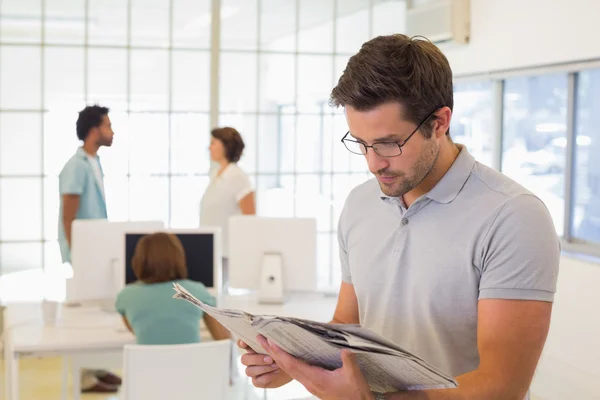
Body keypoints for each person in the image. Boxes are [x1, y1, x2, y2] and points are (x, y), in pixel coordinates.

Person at [238, 34, 560, 400]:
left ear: (439, 122)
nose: (374, 163)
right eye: (360, 143)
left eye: (389, 143)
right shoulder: (360, 203)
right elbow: (347, 324)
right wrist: (292, 361)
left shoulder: (513, 216)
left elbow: (501, 387)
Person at [58, 104, 122, 393]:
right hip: (83, 251)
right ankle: (85, 376)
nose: (112, 131)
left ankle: (97, 368)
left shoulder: (94, 162)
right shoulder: (76, 166)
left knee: (98, 307)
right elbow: (68, 216)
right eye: (108, 125)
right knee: (84, 313)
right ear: (95, 129)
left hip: (96, 248)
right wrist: (78, 256)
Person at [115, 232, 231, 345]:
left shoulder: (126, 296)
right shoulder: (197, 292)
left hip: (148, 364)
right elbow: (224, 339)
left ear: (138, 260)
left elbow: (140, 332)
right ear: (179, 258)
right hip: (190, 364)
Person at [200, 127, 256, 290]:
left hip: (226, 251)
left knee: (220, 292)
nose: (209, 148)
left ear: (226, 146)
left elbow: (249, 217)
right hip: (212, 247)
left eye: (213, 143)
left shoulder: (238, 177)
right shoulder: (216, 173)